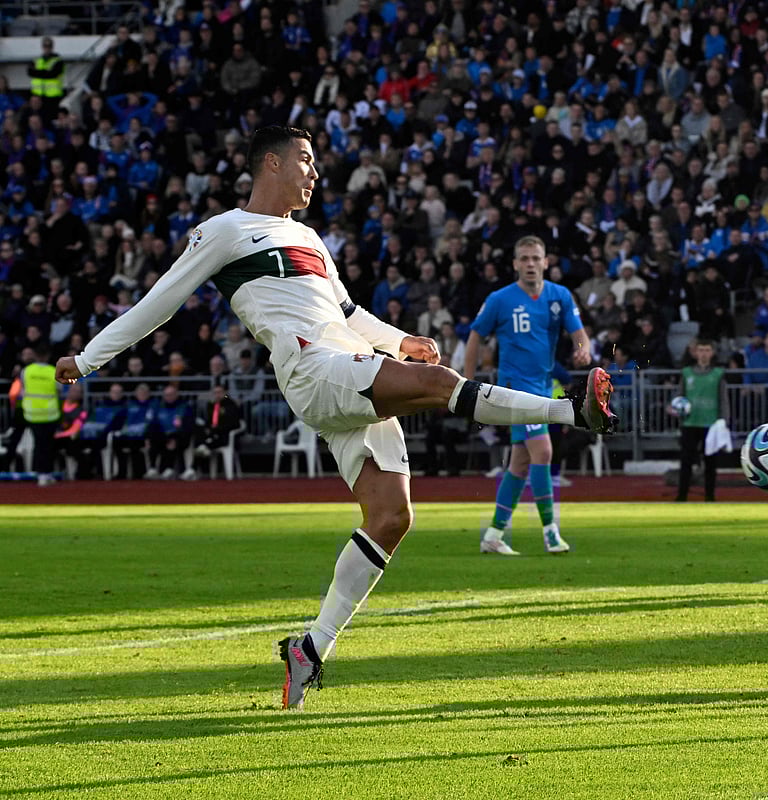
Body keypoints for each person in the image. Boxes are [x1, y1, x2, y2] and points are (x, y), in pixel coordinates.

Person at [55, 126, 616, 710]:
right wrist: (88, 359)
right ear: (269, 164)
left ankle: (310, 650)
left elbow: (347, 312)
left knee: (392, 518)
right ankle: (574, 410)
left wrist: (403, 341)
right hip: (313, 369)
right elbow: (158, 302)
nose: (314, 172)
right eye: (304, 160)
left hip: (350, 360)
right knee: (439, 386)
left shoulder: (309, 238)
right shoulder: (226, 231)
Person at [465, 236, 592, 555]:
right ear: (515, 264)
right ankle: (550, 533)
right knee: (544, 452)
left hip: (543, 388)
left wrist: (583, 350)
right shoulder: (500, 299)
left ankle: (493, 534)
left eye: (536, 258)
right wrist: (467, 381)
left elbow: (578, 333)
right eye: (524, 258)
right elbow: (476, 335)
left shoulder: (559, 295)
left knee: (520, 464)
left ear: (546, 262)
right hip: (515, 390)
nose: (531, 264)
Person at [674, 339, 727, 502]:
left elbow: (723, 399)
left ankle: (710, 496)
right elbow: (680, 396)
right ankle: (682, 495)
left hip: (710, 423)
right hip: (690, 423)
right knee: (686, 462)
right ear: (695, 352)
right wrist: (676, 409)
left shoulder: (718, 374)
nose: (704, 353)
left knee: (710, 463)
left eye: (707, 350)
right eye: (701, 350)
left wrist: (723, 420)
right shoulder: (687, 373)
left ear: (712, 353)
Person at [18, 344, 61, 486]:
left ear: (35, 355)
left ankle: (41, 474)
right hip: (50, 414)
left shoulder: (26, 371)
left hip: (32, 414)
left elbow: (23, 389)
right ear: (47, 356)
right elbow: (59, 390)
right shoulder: (53, 371)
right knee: (48, 445)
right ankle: (46, 473)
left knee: (38, 445)